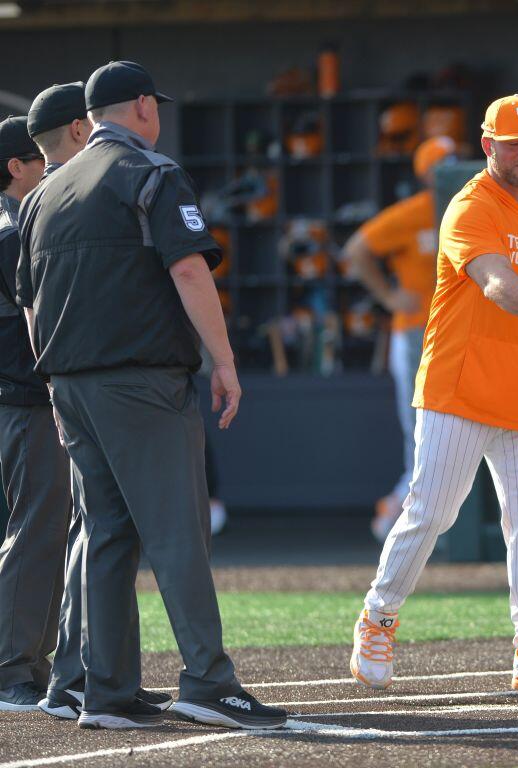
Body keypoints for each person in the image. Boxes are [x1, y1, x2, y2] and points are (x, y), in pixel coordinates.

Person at [16, 60, 286, 730]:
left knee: (106, 533)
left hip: (67, 384)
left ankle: (106, 692)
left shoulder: (44, 192)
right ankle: (207, 681)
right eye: (154, 104)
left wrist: (53, 381)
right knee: (177, 531)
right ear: (142, 106)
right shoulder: (150, 172)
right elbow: (189, 270)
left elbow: (29, 301)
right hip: (140, 380)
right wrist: (224, 362)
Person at [351, 95, 518, 693]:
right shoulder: (469, 204)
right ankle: (378, 616)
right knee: (431, 511)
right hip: (459, 388)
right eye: (514, 144)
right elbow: (498, 284)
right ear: (488, 145)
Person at [343, 136, 457, 542]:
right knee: (420, 428)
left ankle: (409, 511)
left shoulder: (474, 208)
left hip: (458, 333)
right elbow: (356, 250)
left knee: (454, 431)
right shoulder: (414, 212)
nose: (450, 170)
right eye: (442, 164)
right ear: (426, 174)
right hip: (416, 332)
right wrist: (389, 296)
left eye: (454, 161)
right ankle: (402, 514)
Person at [0, 114, 67, 714]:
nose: (50, 164)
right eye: (38, 157)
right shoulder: (10, 229)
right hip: (23, 398)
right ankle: (11, 667)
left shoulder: (19, 223)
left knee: (48, 527)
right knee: (34, 528)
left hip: (30, 396)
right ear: (15, 167)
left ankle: (34, 662)